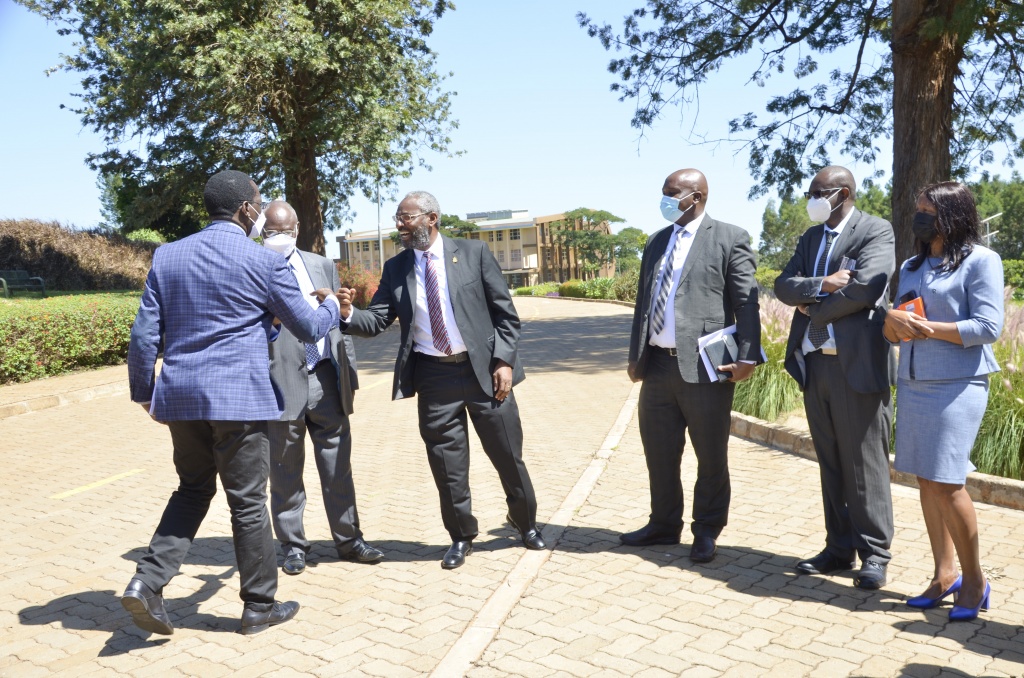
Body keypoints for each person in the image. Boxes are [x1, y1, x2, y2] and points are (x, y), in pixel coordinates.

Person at [123, 170, 342, 635]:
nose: (261, 212)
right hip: (239, 400)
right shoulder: (264, 261)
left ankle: (146, 582)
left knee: (192, 489)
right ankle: (259, 605)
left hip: (181, 397)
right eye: (258, 204)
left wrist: (145, 392)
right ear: (246, 209)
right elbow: (308, 327)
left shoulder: (168, 256)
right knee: (247, 502)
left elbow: (143, 336)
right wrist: (332, 308)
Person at [339, 190, 544, 570]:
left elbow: (506, 314)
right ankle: (461, 536)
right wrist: (348, 314)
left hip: (485, 373)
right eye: (399, 218)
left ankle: (525, 522)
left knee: (507, 455)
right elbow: (378, 319)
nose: (399, 225)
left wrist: (504, 361)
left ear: (431, 218)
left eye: (406, 217)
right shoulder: (397, 267)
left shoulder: (473, 253)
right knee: (448, 467)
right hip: (434, 377)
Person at [621, 168, 761, 564]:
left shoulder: (729, 237)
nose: (665, 200)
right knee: (659, 452)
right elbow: (644, 302)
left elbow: (746, 301)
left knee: (710, 455)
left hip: (705, 367)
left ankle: (707, 529)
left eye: (672, 193)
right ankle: (664, 524)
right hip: (657, 367)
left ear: (696, 196)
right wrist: (635, 355)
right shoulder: (656, 241)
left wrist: (748, 355)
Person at [883, 182, 1003, 621]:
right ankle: (944, 574)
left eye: (928, 211)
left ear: (953, 216)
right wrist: (891, 323)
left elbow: (988, 327)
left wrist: (929, 329)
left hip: (958, 384)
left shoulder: (982, 261)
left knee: (949, 483)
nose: (919, 217)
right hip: (915, 381)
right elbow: (896, 325)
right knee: (927, 481)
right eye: (918, 209)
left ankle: (975, 581)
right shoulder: (911, 265)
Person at [775, 165, 896, 590]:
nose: (811, 198)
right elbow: (783, 285)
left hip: (855, 366)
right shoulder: (811, 238)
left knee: (865, 464)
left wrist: (813, 310)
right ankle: (838, 548)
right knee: (831, 463)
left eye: (818, 192)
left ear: (842, 194)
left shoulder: (875, 231)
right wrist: (823, 284)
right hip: (816, 364)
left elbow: (866, 288)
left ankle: (875, 554)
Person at [262, 201, 383, 575]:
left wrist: (348, 371)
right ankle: (293, 546)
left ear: (297, 229)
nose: (278, 237)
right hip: (281, 382)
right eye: (270, 232)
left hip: (326, 377)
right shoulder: (253, 268)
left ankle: (349, 540)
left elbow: (338, 324)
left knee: (338, 467)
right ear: (261, 232)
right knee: (285, 471)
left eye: (285, 231)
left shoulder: (321, 264)